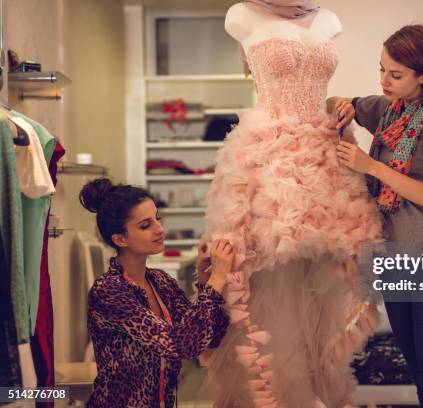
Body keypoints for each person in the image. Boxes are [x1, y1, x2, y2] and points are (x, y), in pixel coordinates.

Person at [202, 1, 382, 406]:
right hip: (268, 158)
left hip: (323, 157)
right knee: (265, 283)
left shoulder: (328, 18)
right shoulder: (242, 15)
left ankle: (313, 394)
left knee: (324, 285)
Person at [327, 24, 423, 408]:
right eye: (381, 69)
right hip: (392, 258)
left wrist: (371, 167)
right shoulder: (388, 109)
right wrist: (344, 106)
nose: (384, 80)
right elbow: (342, 101)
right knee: (420, 374)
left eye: (396, 74)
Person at [79, 178, 231, 407]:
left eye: (157, 218)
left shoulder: (160, 281)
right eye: (145, 225)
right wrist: (217, 280)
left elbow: (211, 337)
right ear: (120, 239)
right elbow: (182, 346)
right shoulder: (109, 292)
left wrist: (205, 279)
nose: (159, 229)